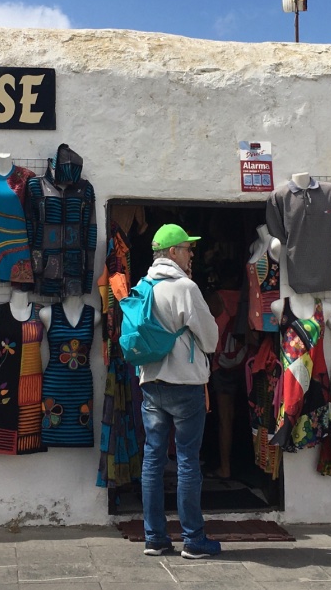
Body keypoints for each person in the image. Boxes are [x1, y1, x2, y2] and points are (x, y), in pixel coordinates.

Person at [138, 223, 222, 560]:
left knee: (153, 459)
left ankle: (155, 538)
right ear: (173, 252)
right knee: (187, 460)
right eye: (188, 248)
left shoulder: (142, 286)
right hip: (185, 384)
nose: (191, 255)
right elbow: (212, 339)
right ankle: (193, 539)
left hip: (151, 383)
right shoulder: (185, 288)